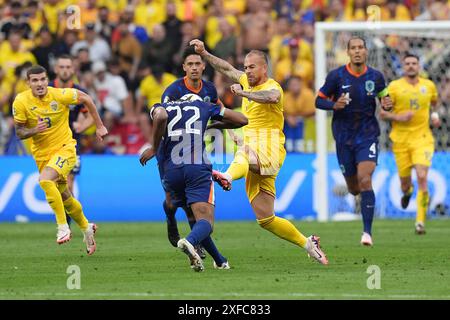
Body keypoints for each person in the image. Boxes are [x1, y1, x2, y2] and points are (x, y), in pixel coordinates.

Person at [189, 39, 328, 265]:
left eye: (252, 67)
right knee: (266, 219)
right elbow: (225, 68)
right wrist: (204, 53)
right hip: (252, 148)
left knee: (243, 153)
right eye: (246, 67)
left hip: (270, 146)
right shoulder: (245, 80)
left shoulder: (273, 87)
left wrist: (244, 95)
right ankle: (308, 243)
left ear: (264, 67)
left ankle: (226, 176)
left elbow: (271, 97)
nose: (247, 71)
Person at [139, 93, 248, 271]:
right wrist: (214, 122)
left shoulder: (162, 106)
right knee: (205, 220)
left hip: (171, 170)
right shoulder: (203, 106)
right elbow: (242, 120)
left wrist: (154, 145)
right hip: (196, 167)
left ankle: (220, 261)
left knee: (192, 216)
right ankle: (189, 241)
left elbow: (160, 116)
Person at [12, 65, 108, 255]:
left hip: (66, 149)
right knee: (65, 197)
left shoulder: (59, 95)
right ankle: (86, 227)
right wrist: (34, 130)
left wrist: (99, 126)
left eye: (42, 79)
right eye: (35, 80)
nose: (39, 84)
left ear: (47, 80)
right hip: (41, 155)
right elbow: (19, 131)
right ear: (28, 83)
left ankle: (62, 226)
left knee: (45, 180)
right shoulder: (21, 101)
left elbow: (86, 98)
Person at [315, 36, 392, 246]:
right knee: (354, 188)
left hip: (367, 136)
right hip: (343, 137)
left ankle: (367, 233)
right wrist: (334, 105)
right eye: (353, 48)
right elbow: (318, 100)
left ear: (366, 51)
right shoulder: (336, 76)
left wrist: (387, 104)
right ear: (348, 52)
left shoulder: (376, 77)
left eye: (361, 48)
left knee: (365, 179)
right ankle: (358, 196)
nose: (357, 51)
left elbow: (385, 99)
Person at [156, 46, 222, 252]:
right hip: (169, 149)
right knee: (173, 201)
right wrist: (154, 147)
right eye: (190, 64)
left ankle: (197, 242)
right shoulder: (173, 91)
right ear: (184, 67)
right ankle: (170, 218)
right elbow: (162, 121)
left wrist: (228, 132)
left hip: (193, 149)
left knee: (192, 199)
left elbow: (219, 112)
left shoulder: (209, 90)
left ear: (203, 66)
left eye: (197, 64)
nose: (194, 68)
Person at [380, 53, 441, 234]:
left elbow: (434, 103)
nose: (411, 66)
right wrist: (399, 116)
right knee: (405, 184)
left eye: (414, 63)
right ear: (403, 66)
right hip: (400, 141)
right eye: (407, 64)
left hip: (423, 139)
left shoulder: (428, 86)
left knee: (422, 176)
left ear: (419, 66)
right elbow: (383, 113)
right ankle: (407, 192)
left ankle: (420, 222)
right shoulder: (394, 87)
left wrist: (435, 115)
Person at [49, 54, 94, 197]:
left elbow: (91, 117)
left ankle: (66, 220)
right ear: (56, 69)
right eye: (61, 67)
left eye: (68, 67)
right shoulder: (47, 90)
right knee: (54, 183)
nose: (65, 70)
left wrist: (82, 126)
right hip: (51, 143)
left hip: (72, 143)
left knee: (69, 183)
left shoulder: (79, 93)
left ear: (73, 70)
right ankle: (62, 218)